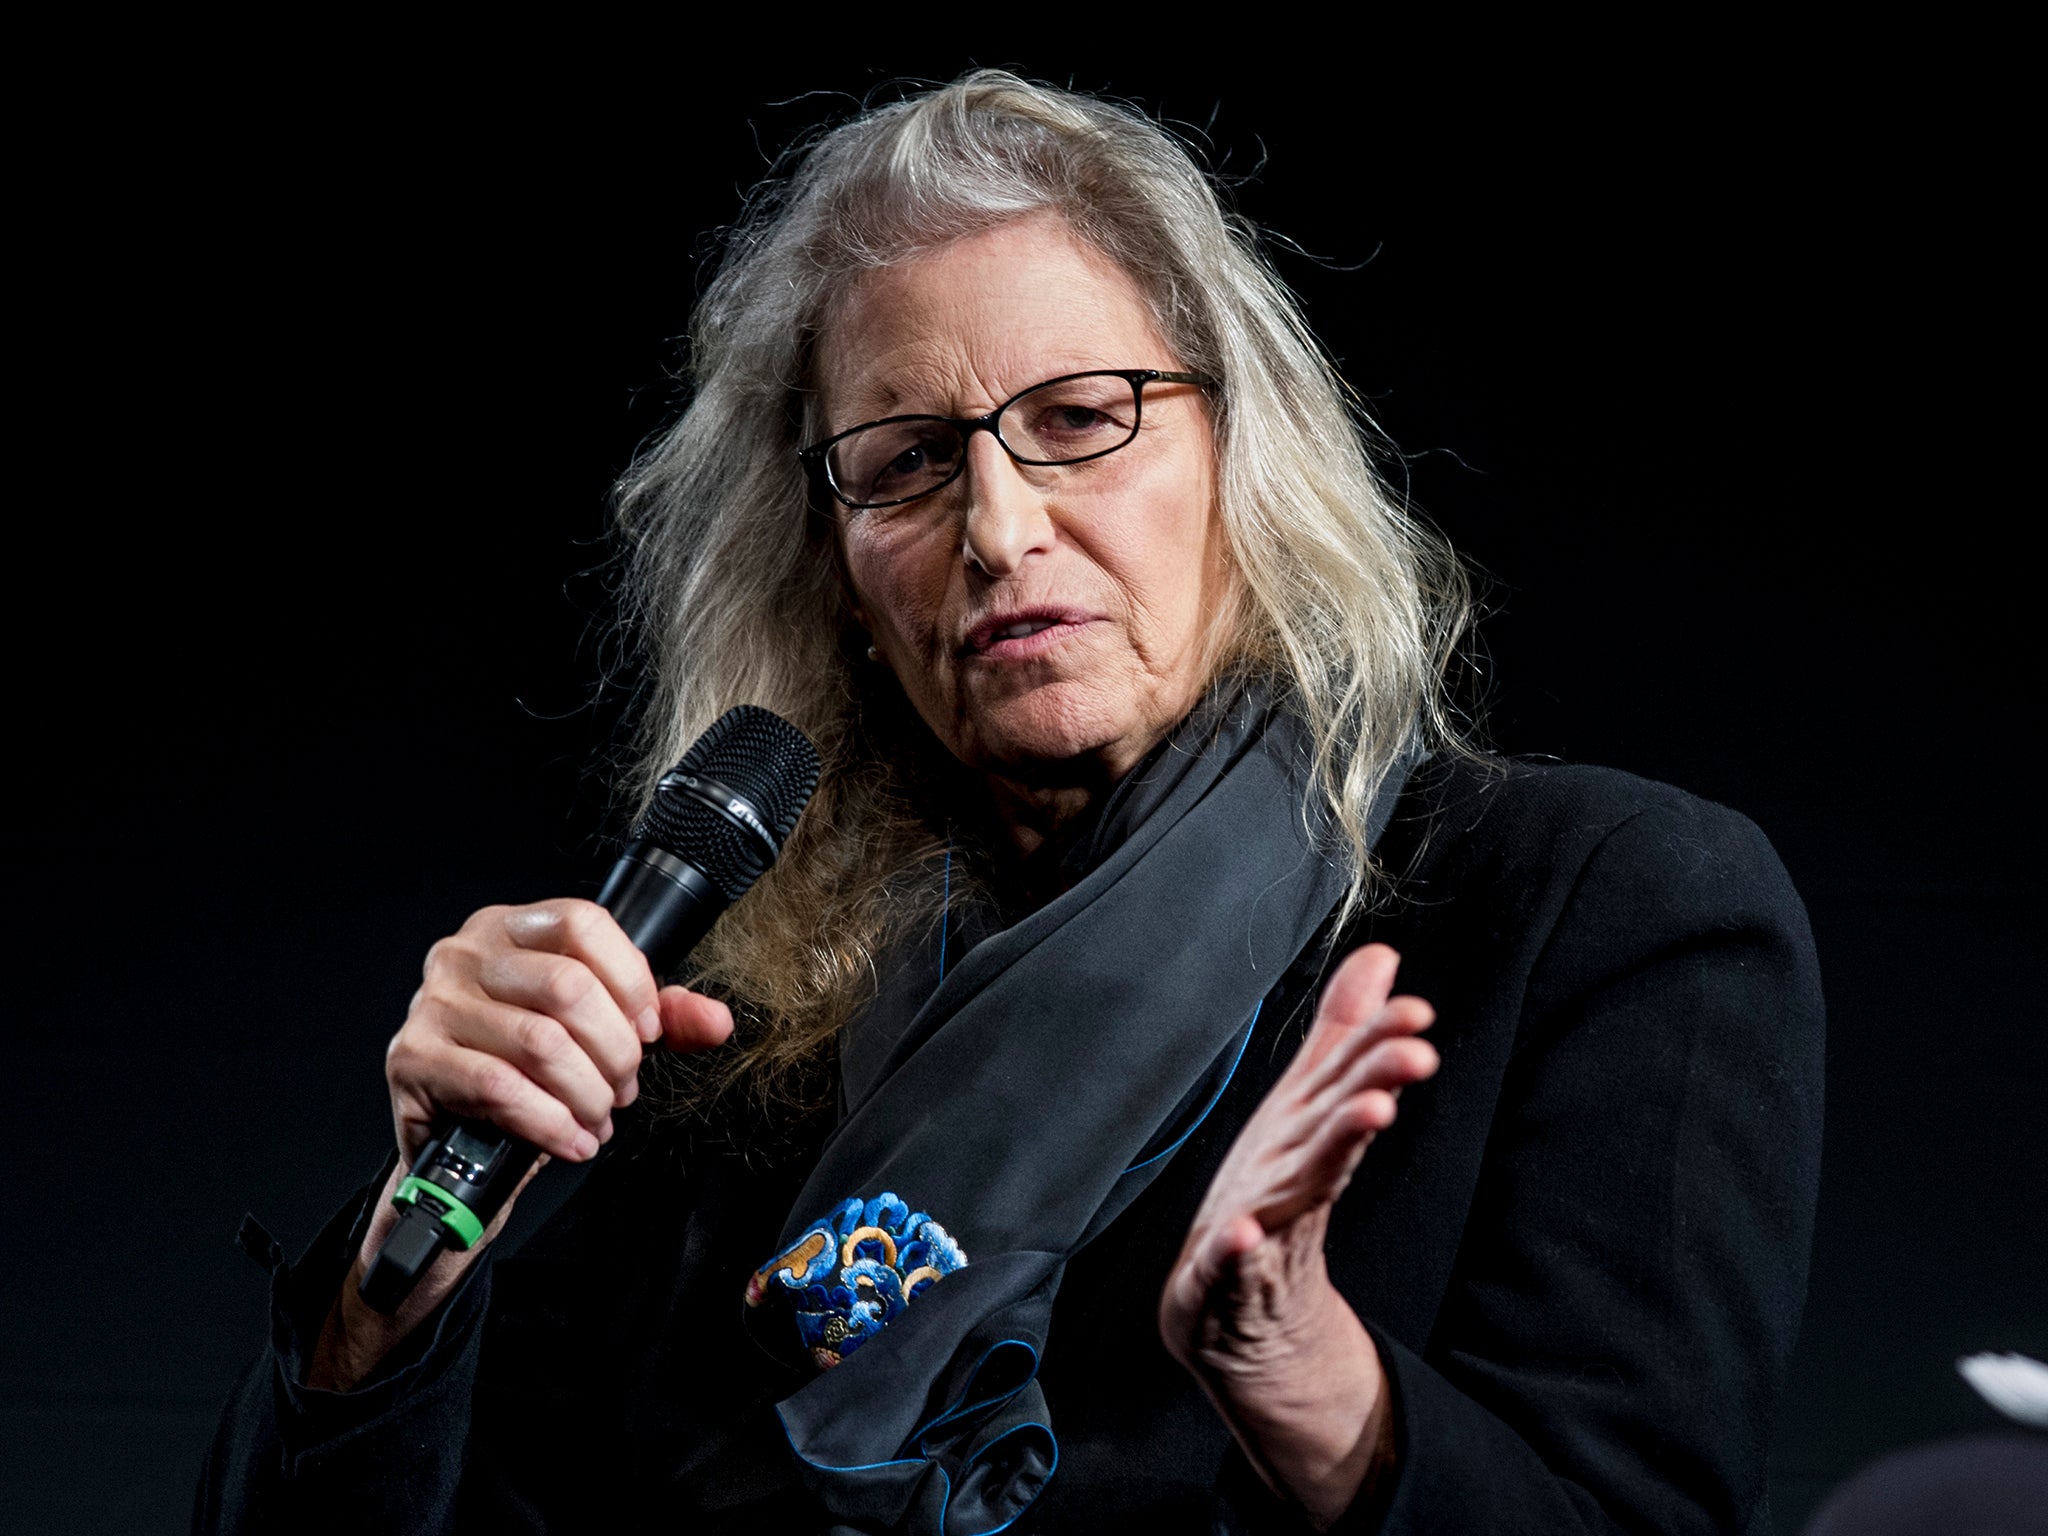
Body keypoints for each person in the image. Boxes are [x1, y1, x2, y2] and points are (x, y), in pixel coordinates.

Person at [196, 72, 1823, 1533]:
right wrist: (387, 1301)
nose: (1000, 525)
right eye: (904, 461)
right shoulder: (716, 1040)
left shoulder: (1595, 909)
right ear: (831, 568)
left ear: (1240, 454)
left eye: (1078, 422)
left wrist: (1313, 1386)